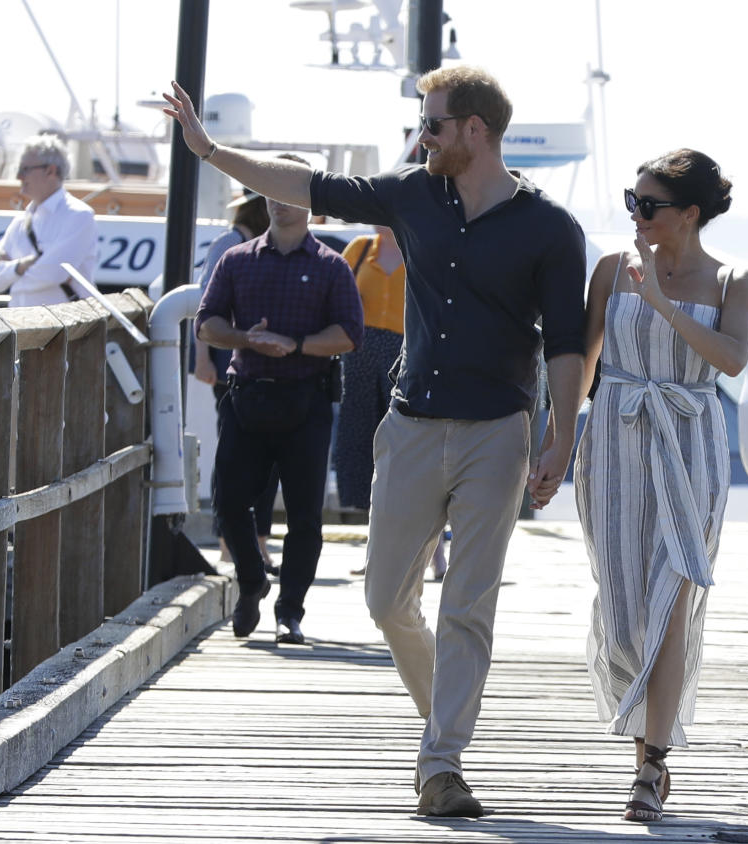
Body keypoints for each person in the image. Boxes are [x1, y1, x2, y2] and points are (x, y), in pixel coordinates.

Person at [165, 64, 587, 817]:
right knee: (387, 600)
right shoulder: (409, 192)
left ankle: (442, 763)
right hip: (413, 425)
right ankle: (442, 725)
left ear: (474, 132)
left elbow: (564, 344)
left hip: (498, 431)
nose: (419, 137)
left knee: (468, 604)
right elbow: (303, 182)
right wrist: (209, 150)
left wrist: (562, 435)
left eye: (432, 124)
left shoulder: (550, 229)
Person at [571, 150, 748, 823]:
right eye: (632, 201)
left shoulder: (734, 278)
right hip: (614, 440)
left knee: (670, 600)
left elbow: (732, 359)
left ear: (689, 214)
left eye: (650, 205)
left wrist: (661, 304)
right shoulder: (610, 269)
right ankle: (644, 736)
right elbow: (585, 359)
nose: (636, 214)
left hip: (690, 442)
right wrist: (557, 442)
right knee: (623, 611)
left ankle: (650, 768)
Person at [195, 153, 363, 647]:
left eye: (290, 192)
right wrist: (248, 339)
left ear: (311, 202)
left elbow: (349, 334)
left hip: (306, 403)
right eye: (271, 190)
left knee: (306, 515)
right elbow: (208, 323)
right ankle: (251, 582)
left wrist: (297, 344)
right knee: (228, 503)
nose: (278, 202)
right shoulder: (237, 260)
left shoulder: (331, 267)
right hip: (246, 397)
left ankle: (290, 612)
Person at [336, 226, 445, 581]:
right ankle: (375, 553)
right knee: (368, 453)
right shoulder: (360, 247)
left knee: (413, 453)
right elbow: (337, 296)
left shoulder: (422, 245)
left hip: (408, 355)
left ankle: (435, 553)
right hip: (360, 356)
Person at [193, 187, 279, 573]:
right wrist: (201, 358)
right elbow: (204, 305)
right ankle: (229, 541)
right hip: (228, 364)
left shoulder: (266, 245)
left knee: (264, 459)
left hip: (257, 366)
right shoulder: (228, 243)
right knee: (233, 456)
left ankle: (257, 541)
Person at [0, 135, 98, 307]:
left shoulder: (79, 216)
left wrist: (10, 274)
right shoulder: (20, 222)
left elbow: (53, 273)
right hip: (22, 327)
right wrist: (21, 266)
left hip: (67, 330)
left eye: (25, 169)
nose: (19, 176)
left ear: (50, 171)